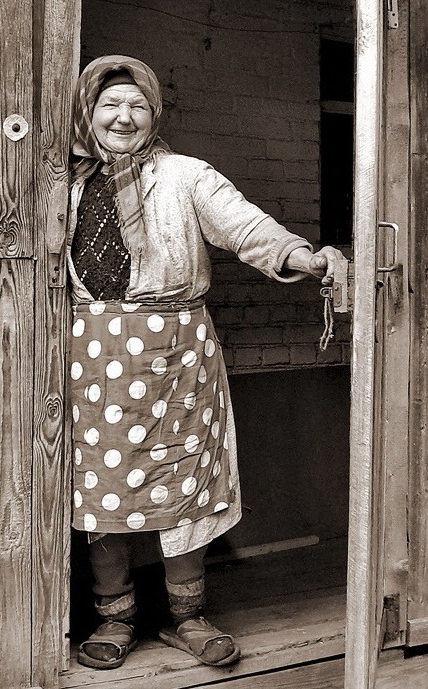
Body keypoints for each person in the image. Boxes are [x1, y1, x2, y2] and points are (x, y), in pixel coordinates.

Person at [67, 54, 344, 670]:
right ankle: (115, 618)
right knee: (99, 490)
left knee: (185, 483)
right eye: (110, 105)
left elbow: (246, 229)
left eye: (137, 105)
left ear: (154, 113)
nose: (124, 117)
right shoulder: (63, 185)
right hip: (91, 358)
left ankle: (187, 617)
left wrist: (304, 258)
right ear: (87, 112)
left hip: (179, 358)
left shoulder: (186, 175)